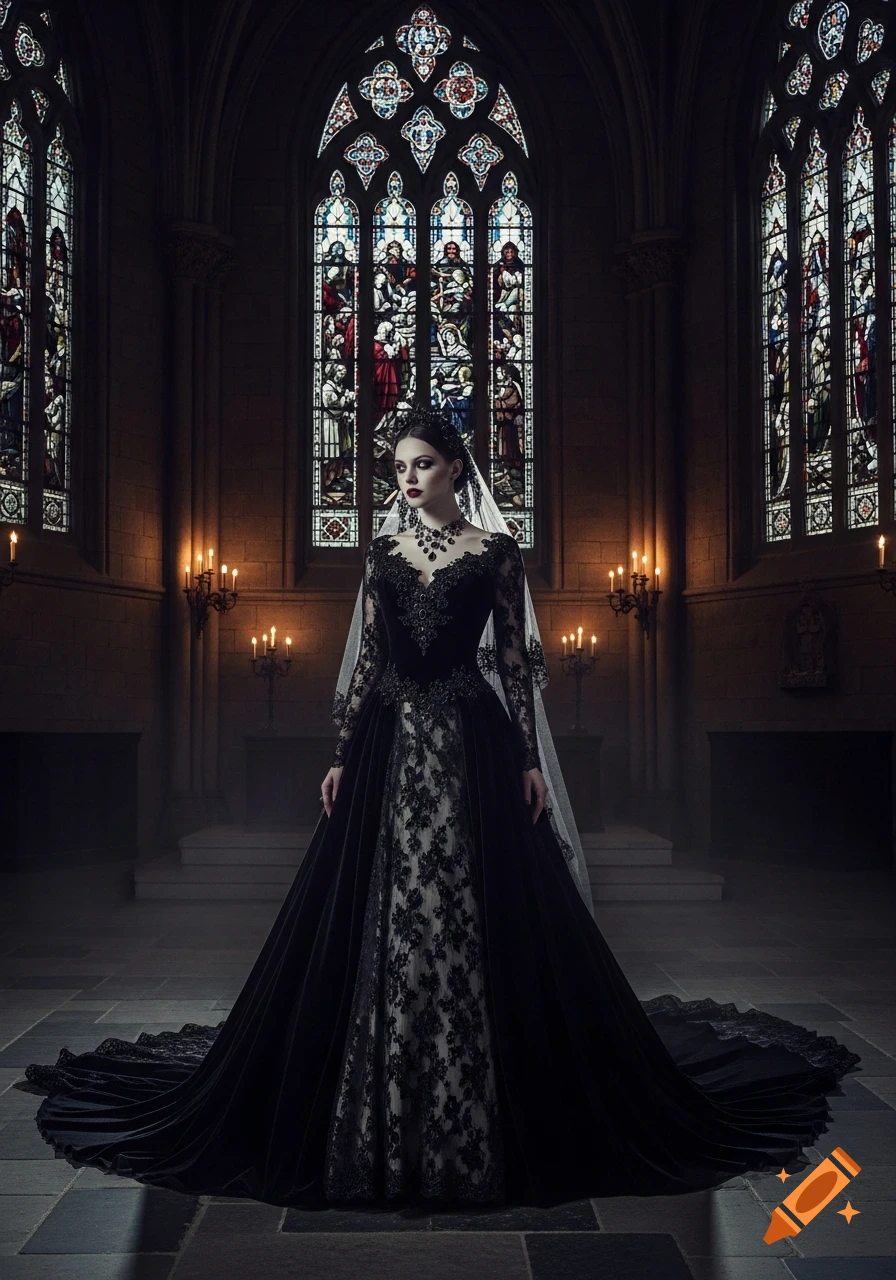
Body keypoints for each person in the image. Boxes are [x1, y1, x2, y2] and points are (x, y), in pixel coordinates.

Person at [22, 404, 861, 1209]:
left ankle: (477, 1107)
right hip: (388, 743)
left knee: (471, 909)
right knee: (383, 915)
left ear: (457, 467)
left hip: (474, 742)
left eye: (423, 465)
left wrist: (529, 760)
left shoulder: (497, 552)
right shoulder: (380, 558)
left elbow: (516, 665)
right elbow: (367, 665)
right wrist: (343, 756)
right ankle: (380, 1104)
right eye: (398, 469)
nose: (409, 479)